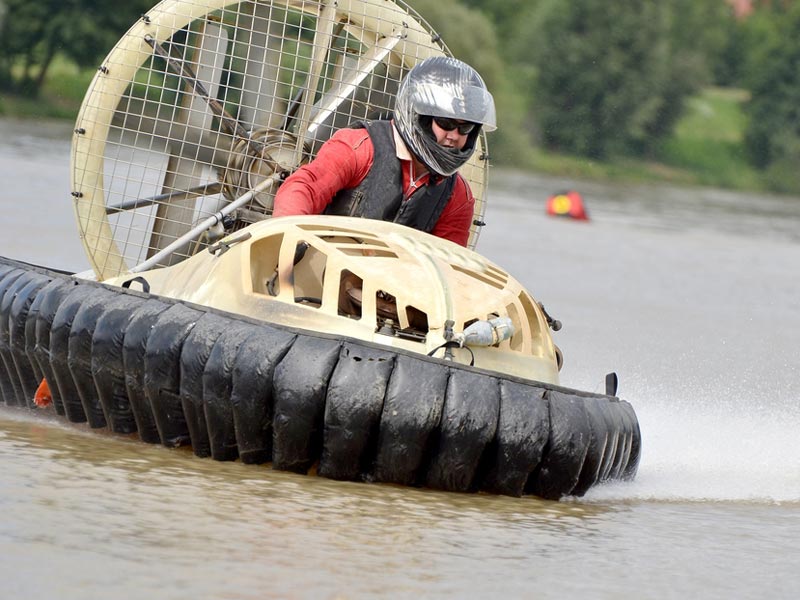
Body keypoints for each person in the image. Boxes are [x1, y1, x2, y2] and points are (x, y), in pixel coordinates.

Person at [272, 56, 497, 247]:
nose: (455, 135)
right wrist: (291, 239)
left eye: (465, 127)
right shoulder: (359, 148)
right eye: (446, 123)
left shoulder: (456, 195)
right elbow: (305, 187)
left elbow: (449, 263)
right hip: (319, 276)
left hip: (391, 293)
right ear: (419, 116)